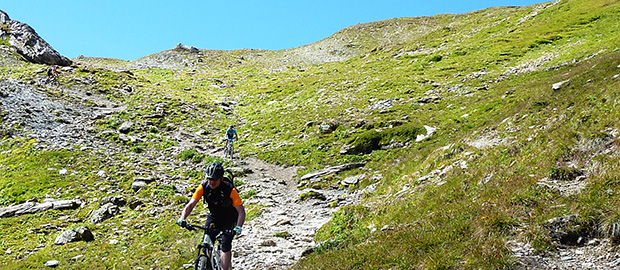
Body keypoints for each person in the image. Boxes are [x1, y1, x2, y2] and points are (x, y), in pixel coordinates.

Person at [177, 162, 245, 270]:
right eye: (209, 179)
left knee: (225, 243)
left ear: (221, 178)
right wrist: (183, 218)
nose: (211, 182)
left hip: (230, 217)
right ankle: (205, 264)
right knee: (206, 241)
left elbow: (241, 211)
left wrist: (239, 227)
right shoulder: (203, 187)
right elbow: (190, 205)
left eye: (214, 179)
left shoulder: (229, 189)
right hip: (214, 216)